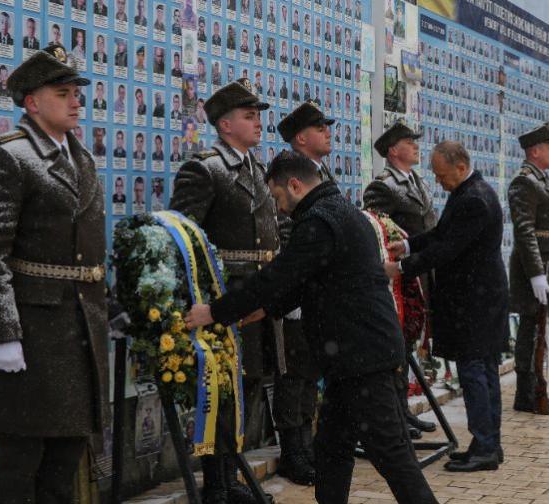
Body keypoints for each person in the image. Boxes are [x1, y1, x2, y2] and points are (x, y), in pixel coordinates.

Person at [185, 150, 439, 504]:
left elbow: (279, 276)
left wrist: (214, 312)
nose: (280, 209)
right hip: (352, 357)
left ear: (294, 185)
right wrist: (267, 309)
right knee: (333, 448)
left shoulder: (319, 222)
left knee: (391, 454)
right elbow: (315, 280)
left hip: (362, 357)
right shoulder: (340, 212)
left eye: (277, 198)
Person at [0, 44, 110, 503]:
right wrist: (2, 333)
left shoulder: (80, 156)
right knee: (20, 460)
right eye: (62, 92)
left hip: (80, 328)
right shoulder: (7, 156)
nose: (75, 101)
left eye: (76, 92)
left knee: (64, 458)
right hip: (34, 331)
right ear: (31, 101)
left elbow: (85, 252)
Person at [169, 78, 278, 504]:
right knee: (222, 391)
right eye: (249, 116)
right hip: (225, 293)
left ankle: (232, 477)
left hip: (258, 293)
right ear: (225, 124)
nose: (257, 124)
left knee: (248, 386)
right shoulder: (205, 168)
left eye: (258, 116)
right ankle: (218, 486)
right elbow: (183, 235)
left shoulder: (257, 167)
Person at [385, 141, 508, 472]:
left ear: (460, 165)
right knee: (482, 371)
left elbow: (448, 248)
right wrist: (409, 245)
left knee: (475, 373)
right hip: (478, 299)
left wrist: (401, 268)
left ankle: (484, 446)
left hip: (476, 302)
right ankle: (488, 444)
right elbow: (440, 233)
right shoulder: (468, 192)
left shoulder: (475, 201)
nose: (439, 182)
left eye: (442, 175)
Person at [266, 101, 337, 486]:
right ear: (300, 138)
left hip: (317, 287)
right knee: (293, 373)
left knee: (311, 370)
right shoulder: (284, 172)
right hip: (297, 285)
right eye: (320, 127)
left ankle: (307, 446)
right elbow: (286, 230)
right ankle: (293, 450)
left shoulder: (320, 172)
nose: (327, 132)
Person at [362, 121, 438, 437]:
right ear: (394, 150)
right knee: (397, 344)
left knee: (407, 344)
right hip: (400, 279)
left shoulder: (415, 181)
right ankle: (394, 414)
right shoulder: (383, 186)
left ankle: (402, 409)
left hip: (420, 272)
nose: (416, 146)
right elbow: (379, 231)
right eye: (409, 141)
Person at [508, 123, 549, 415]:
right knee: (530, 331)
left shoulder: (540, 179)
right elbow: (525, 231)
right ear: (535, 151)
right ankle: (527, 393)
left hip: (547, 264)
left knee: (537, 330)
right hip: (534, 268)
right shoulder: (524, 182)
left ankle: (536, 387)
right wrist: (535, 273)